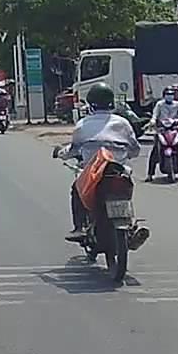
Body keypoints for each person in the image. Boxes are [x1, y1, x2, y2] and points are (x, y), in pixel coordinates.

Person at [59, 83, 141, 242]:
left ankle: (79, 228)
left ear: (90, 103)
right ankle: (130, 226)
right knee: (124, 192)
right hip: (118, 170)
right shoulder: (123, 123)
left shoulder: (83, 124)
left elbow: (73, 149)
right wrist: (126, 154)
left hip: (93, 172)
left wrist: (62, 154)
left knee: (76, 189)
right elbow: (135, 149)